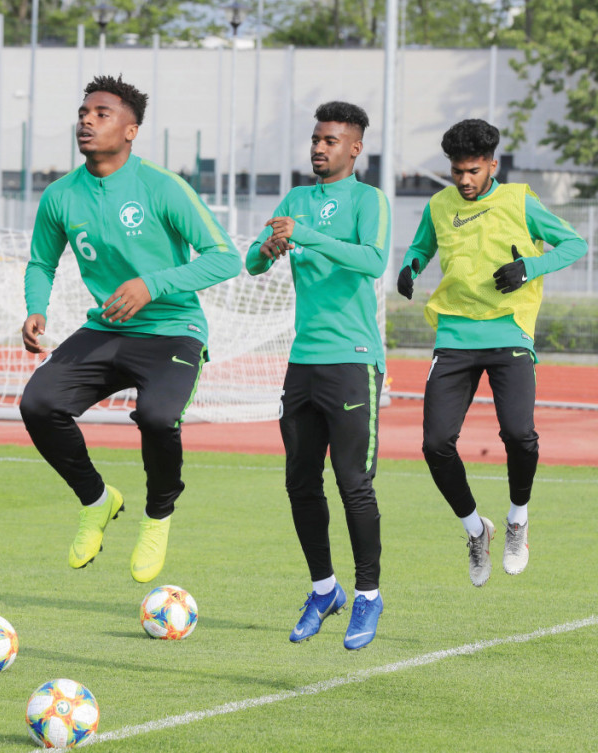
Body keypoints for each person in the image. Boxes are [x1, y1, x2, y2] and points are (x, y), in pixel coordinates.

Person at [19, 74, 241, 584]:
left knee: (158, 418)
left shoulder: (161, 187)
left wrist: (152, 285)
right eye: (84, 113)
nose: (87, 121)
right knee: (38, 404)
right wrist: (35, 308)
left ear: (130, 130)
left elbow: (225, 257)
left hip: (173, 328)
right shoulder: (60, 195)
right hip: (107, 329)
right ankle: (96, 500)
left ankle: (157, 517)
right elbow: (41, 263)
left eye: (102, 114)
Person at [396, 119, 586, 587]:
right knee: (435, 445)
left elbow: (575, 244)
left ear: (492, 166)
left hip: (510, 332)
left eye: (473, 171)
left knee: (519, 435)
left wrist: (529, 268)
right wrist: (410, 266)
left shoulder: (520, 200)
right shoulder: (439, 205)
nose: (464, 180)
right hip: (454, 335)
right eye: (457, 171)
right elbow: (422, 245)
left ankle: (518, 519)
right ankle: (475, 529)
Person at [246, 102, 389, 650]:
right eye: (315, 139)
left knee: (354, 483)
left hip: (353, 359)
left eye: (330, 140)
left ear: (354, 148)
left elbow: (374, 261)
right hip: (302, 362)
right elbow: (253, 264)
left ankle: (369, 595)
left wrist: (306, 235)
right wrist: (270, 247)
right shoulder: (294, 200)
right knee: (300, 482)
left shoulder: (369, 199)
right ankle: (325, 590)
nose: (319, 148)